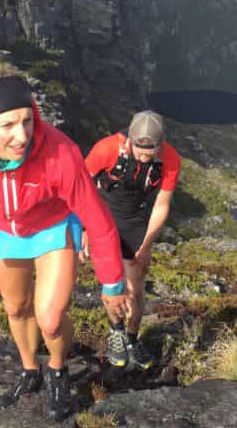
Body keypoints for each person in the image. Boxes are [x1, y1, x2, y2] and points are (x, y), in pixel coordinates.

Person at [0, 63, 128, 421]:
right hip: (3, 232)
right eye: (6, 125)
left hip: (53, 228)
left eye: (27, 120)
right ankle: (29, 370)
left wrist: (112, 282)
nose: (22, 135)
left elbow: (97, 218)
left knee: (50, 319)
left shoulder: (59, 151)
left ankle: (56, 371)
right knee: (16, 309)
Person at [83, 110, 181, 370]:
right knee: (113, 286)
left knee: (135, 291)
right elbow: (81, 187)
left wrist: (147, 246)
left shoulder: (170, 159)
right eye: (140, 153)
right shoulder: (106, 150)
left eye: (152, 154)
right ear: (130, 141)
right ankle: (116, 332)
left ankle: (132, 338)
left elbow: (161, 203)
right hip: (102, 218)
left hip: (134, 222)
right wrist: (84, 227)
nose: (146, 158)